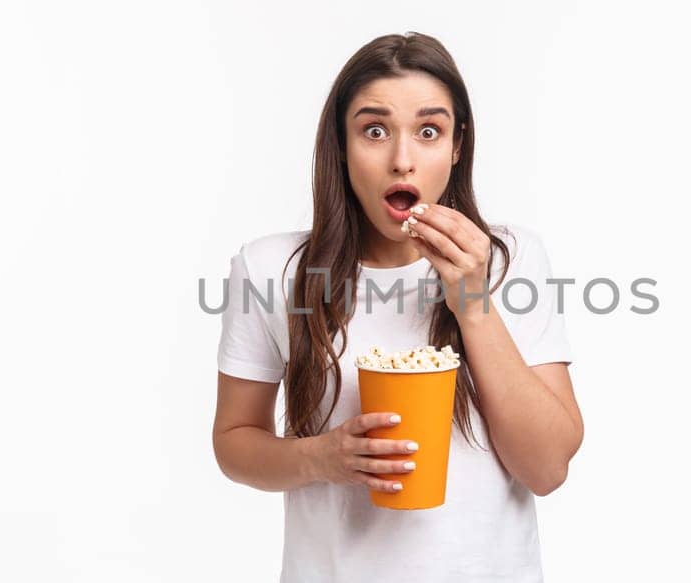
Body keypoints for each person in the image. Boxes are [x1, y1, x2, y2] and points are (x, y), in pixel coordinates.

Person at [212, 31, 584, 583]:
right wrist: (322, 459)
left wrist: (474, 304)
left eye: (429, 131)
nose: (402, 160)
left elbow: (548, 468)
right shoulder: (271, 269)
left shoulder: (510, 258)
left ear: (457, 147)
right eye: (375, 130)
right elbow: (234, 442)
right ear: (341, 144)